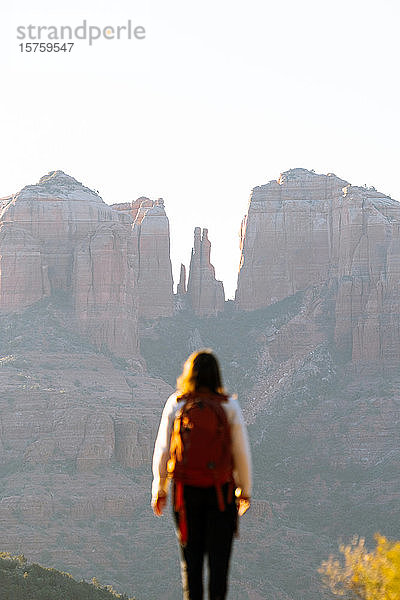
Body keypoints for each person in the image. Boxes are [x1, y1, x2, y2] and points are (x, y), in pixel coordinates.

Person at [151, 349, 252, 600]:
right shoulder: (229, 405)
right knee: (219, 568)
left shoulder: (177, 403)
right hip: (221, 494)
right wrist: (244, 491)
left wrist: (160, 488)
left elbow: (163, 450)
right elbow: (241, 453)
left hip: (186, 495)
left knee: (191, 565)